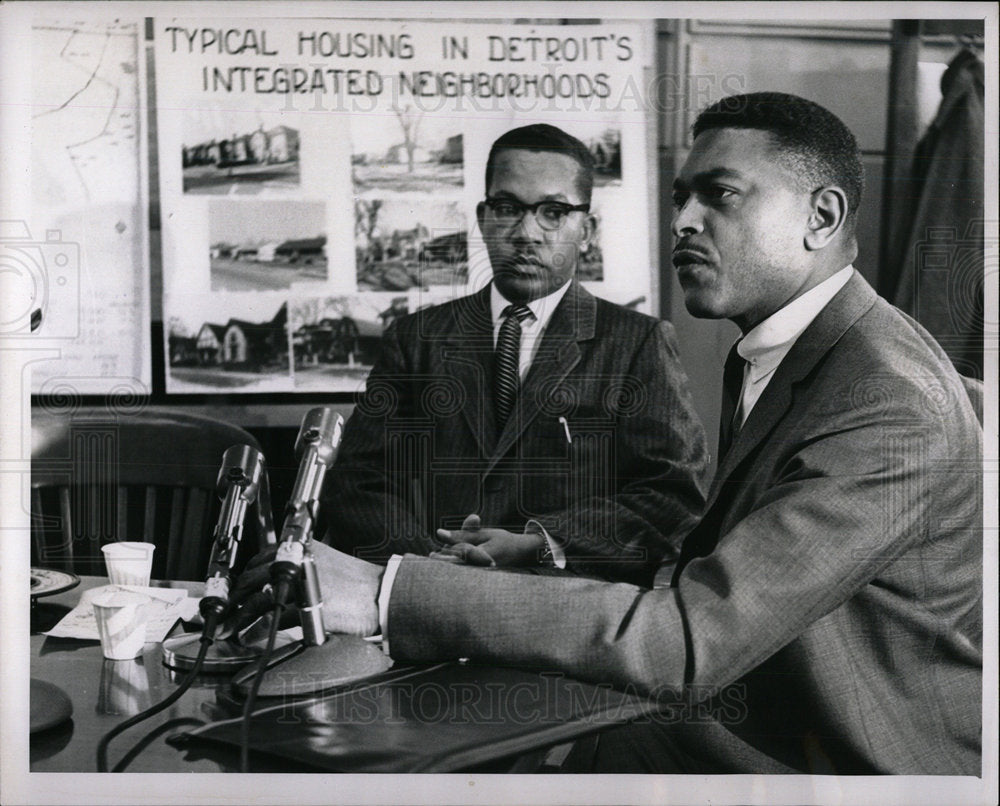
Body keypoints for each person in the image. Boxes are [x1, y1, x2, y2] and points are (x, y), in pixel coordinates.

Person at [234, 95, 982, 774]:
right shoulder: (785, 352)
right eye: (682, 197)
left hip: (844, 758)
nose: (683, 220)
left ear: (822, 217)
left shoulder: (886, 401)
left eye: (718, 194)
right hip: (743, 708)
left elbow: (688, 637)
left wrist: (388, 590)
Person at [321, 123, 708, 585]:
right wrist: (428, 565)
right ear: (483, 218)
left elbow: (672, 496)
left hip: (568, 613)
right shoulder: (416, 338)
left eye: (553, 211)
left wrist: (543, 542)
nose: (526, 232)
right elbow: (358, 481)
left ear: (587, 229)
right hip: (421, 602)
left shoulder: (636, 342)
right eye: (507, 208)